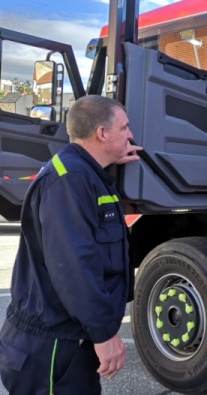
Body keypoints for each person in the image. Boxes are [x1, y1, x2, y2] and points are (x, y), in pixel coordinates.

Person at [0, 95, 143, 394]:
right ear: (102, 133)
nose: (130, 135)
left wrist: (109, 159)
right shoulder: (69, 181)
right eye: (124, 128)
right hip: (52, 348)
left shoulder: (81, 172)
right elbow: (74, 267)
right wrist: (104, 335)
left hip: (63, 341)